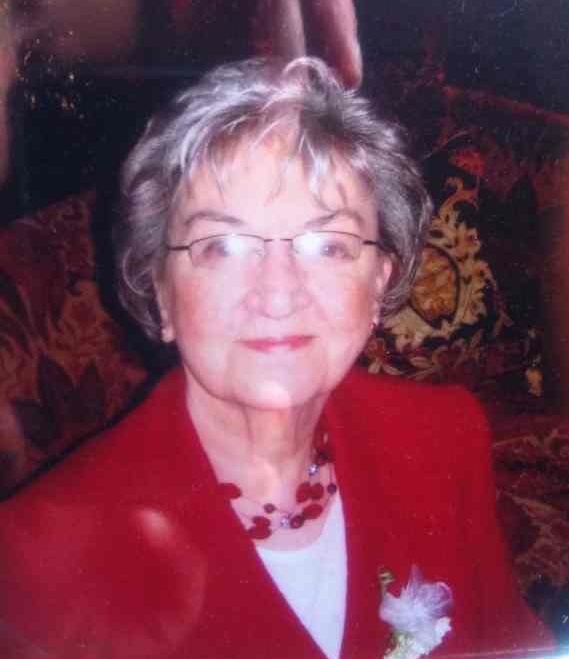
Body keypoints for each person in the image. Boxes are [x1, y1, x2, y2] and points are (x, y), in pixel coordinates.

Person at [0, 57, 554, 659]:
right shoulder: (37, 562)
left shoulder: (445, 437)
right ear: (161, 292)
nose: (278, 293)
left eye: (327, 245)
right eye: (223, 246)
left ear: (379, 283)